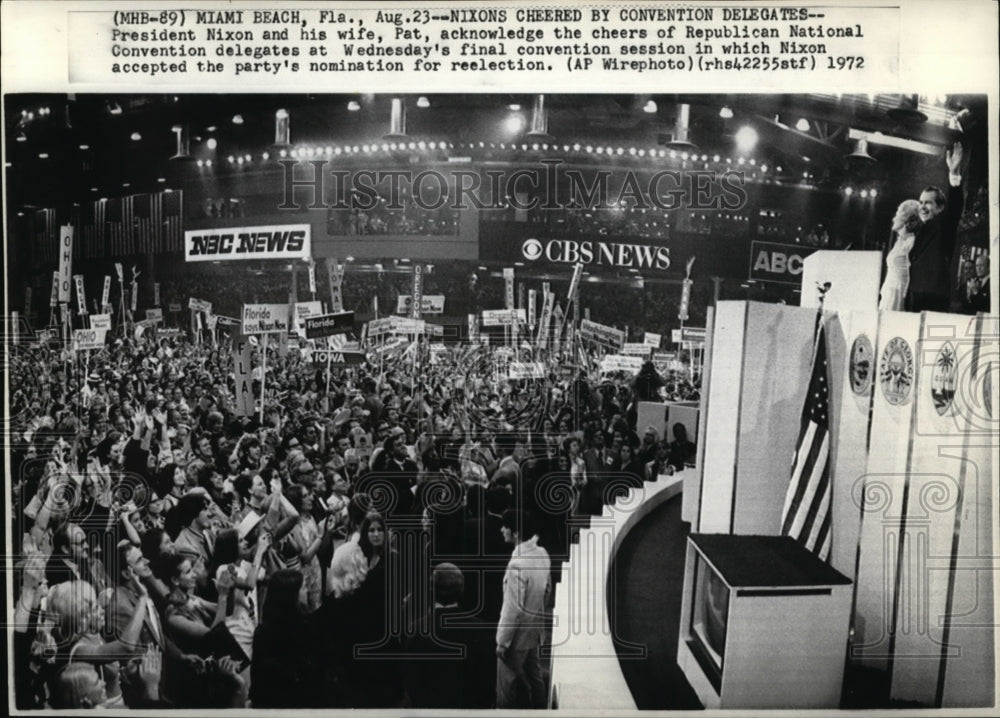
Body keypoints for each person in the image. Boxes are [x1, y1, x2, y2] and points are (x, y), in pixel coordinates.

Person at [495, 509, 550, 709]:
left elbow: (513, 608)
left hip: (516, 640)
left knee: (506, 689)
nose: (502, 530)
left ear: (516, 533)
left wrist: (503, 641)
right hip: (533, 633)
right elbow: (547, 592)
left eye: (505, 527)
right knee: (535, 680)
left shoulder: (516, 565)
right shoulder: (542, 554)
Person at [908, 142, 964, 312]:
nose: (923, 206)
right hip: (915, 297)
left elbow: (955, 206)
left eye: (928, 203)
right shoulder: (920, 229)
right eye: (921, 202)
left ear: (940, 207)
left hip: (934, 298)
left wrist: (954, 173)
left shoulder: (944, 224)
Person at [878, 199, 922, 311]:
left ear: (906, 220)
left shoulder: (910, 242)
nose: (894, 218)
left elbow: (912, 274)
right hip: (889, 291)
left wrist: (903, 297)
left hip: (896, 295)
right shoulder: (900, 241)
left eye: (898, 214)